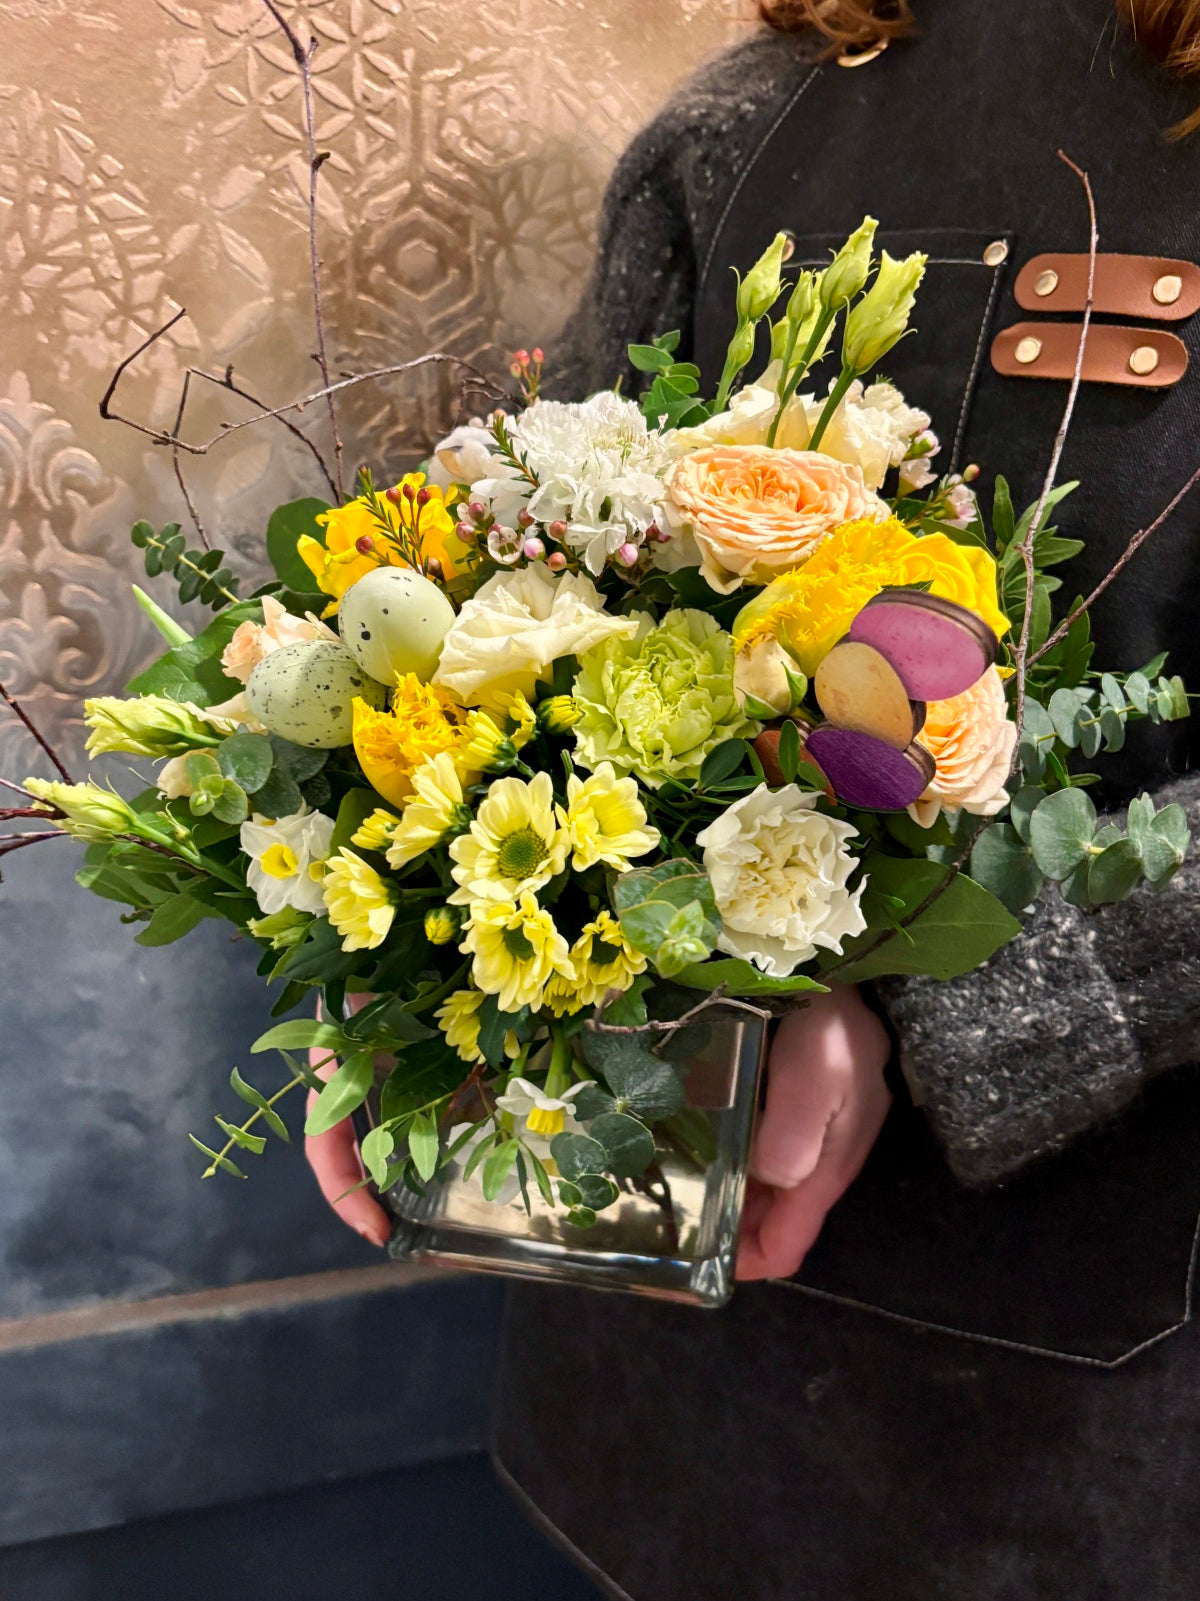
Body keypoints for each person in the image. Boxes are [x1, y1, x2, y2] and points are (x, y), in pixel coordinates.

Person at [310, 3, 1200, 1594]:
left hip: (1090, 1414)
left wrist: (945, 1000)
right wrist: (397, 968)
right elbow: (542, 592)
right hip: (673, 1387)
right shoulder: (750, 119)